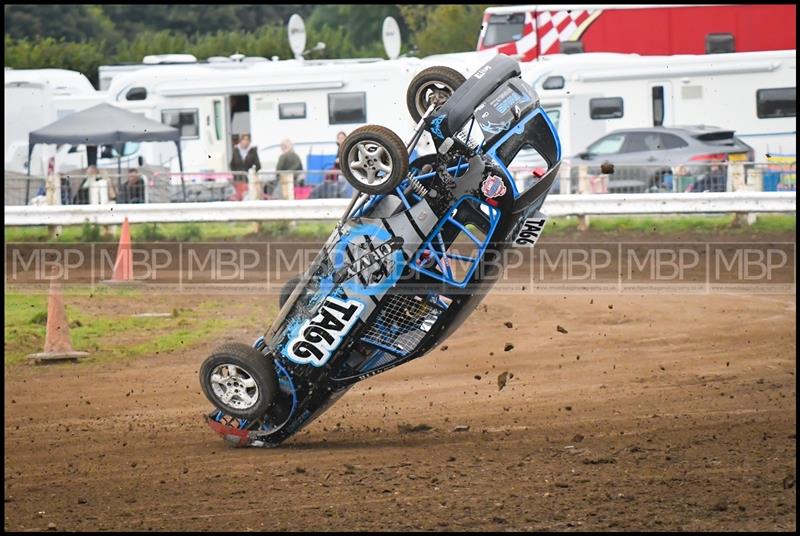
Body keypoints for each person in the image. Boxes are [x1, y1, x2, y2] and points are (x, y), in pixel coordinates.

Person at [230, 134, 261, 200]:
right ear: (240, 141)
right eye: (244, 139)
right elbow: (232, 164)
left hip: (249, 179)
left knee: (248, 196)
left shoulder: (253, 151)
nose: (245, 141)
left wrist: (253, 171)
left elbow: (258, 165)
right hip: (238, 179)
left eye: (247, 140)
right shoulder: (236, 150)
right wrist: (235, 174)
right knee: (239, 196)